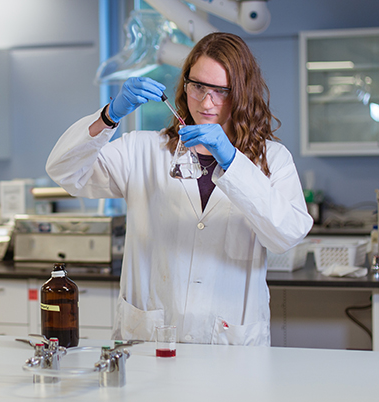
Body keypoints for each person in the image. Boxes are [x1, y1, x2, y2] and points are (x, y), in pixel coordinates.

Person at [45, 32, 312, 346]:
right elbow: (64, 170)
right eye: (198, 86)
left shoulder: (272, 159)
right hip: (150, 339)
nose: (206, 101)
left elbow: (287, 234)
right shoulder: (144, 150)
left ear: (241, 93)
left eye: (220, 91)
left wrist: (232, 161)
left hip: (230, 346)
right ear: (185, 86)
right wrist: (109, 115)